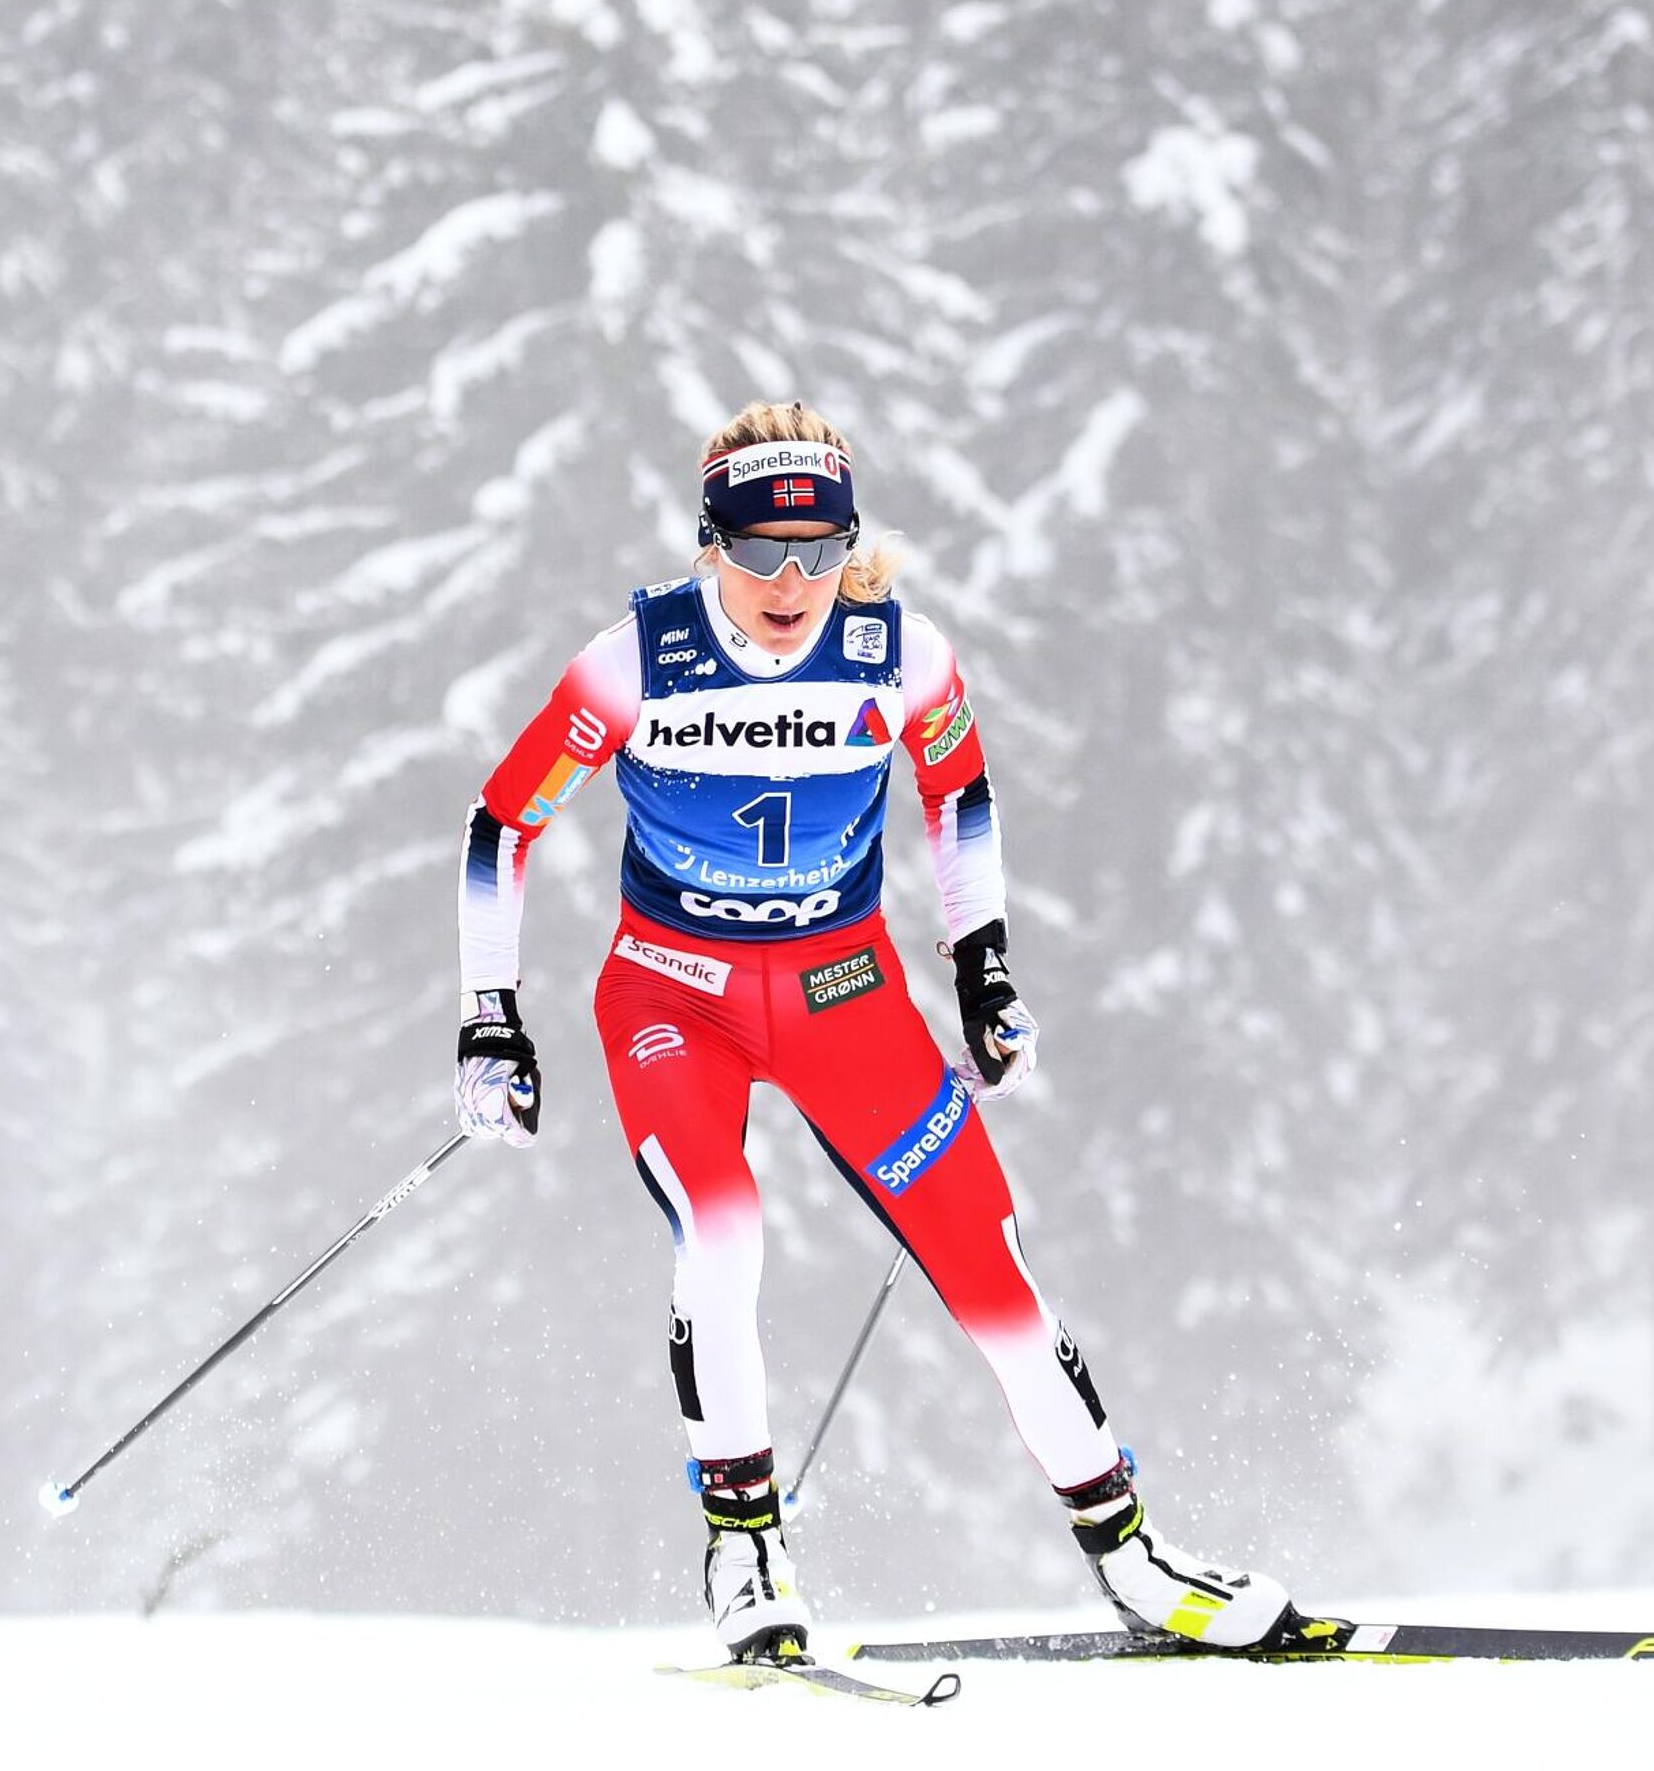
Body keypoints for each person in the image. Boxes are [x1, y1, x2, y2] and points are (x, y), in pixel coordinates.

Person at [452, 401, 1292, 1659]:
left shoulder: (899, 652)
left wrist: (984, 968)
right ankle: (744, 1547)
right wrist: (489, 1018)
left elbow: (960, 793)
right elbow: (503, 824)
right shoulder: (635, 663)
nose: (790, 583)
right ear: (711, 542)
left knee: (990, 1262)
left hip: (843, 995)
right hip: (674, 996)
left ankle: (1135, 1558)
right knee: (722, 1233)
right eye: (760, 550)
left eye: (820, 551)